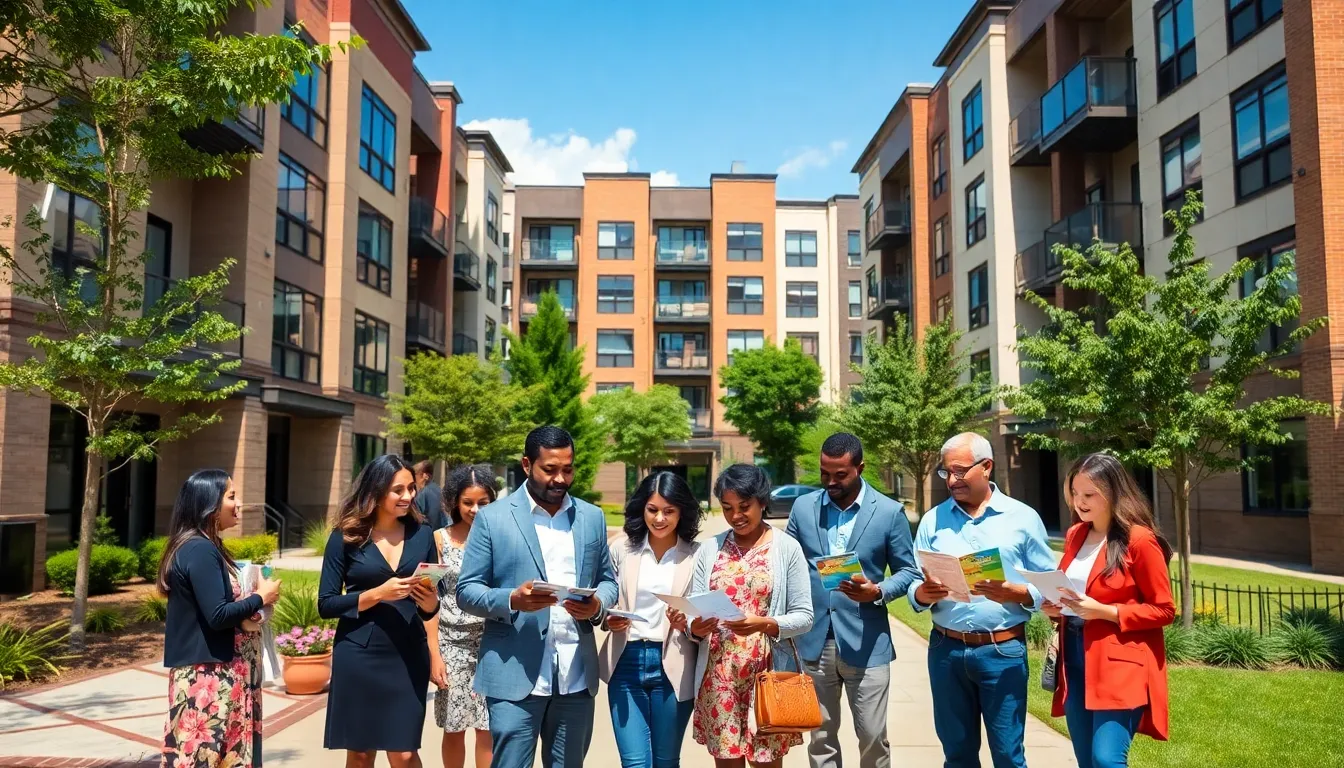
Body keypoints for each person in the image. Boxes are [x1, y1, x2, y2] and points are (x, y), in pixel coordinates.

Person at [456, 426, 619, 768]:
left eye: (568, 469)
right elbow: (467, 590)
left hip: (575, 675)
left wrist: (596, 606)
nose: (560, 479)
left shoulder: (591, 518)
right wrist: (512, 600)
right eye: (550, 470)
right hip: (513, 675)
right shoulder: (492, 518)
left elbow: (607, 581)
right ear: (527, 465)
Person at [907, 432, 1056, 768]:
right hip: (946, 652)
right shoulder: (933, 520)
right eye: (947, 473)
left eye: (960, 471)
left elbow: (1052, 586)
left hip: (1002, 652)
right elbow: (915, 580)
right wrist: (921, 593)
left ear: (986, 466)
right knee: (957, 755)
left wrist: (1018, 593)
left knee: (1007, 755)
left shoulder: (1022, 518)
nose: (953, 480)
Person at [785, 433, 919, 768]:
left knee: (873, 736)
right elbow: (785, 561)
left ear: (860, 468)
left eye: (840, 475)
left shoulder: (889, 513)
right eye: (824, 474)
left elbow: (908, 572)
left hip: (868, 641)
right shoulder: (803, 508)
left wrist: (878, 591)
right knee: (820, 737)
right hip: (814, 639)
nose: (831, 482)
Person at [1044, 453, 1175, 768]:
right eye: (1075, 493)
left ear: (1114, 492)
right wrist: (1056, 607)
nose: (1080, 502)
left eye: (1090, 494)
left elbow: (1164, 610)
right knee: (1085, 759)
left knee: (1106, 759)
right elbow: (1076, 590)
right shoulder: (1076, 534)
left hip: (1119, 662)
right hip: (1073, 656)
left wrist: (1107, 611)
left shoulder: (1139, 541)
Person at [319, 455, 441, 768]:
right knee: (360, 754)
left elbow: (430, 608)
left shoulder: (423, 535)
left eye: (411, 488)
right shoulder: (345, 537)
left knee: (403, 752)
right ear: (375, 491)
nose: (408, 496)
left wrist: (428, 602)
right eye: (398, 490)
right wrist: (376, 594)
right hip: (359, 654)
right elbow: (326, 603)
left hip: (408, 653)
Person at [689, 463, 814, 768]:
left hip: (766, 677)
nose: (736, 516)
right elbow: (695, 615)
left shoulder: (787, 548)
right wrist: (696, 626)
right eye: (728, 508)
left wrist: (765, 623)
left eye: (744, 506)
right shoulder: (709, 549)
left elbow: (805, 616)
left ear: (762, 502)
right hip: (719, 679)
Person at [159, 469, 282, 768]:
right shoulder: (199, 549)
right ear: (209, 504)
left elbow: (217, 607)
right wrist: (261, 597)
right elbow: (218, 615)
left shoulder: (205, 546)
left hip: (223, 673)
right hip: (211, 679)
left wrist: (251, 606)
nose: (238, 503)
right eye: (231, 496)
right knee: (207, 757)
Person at [598, 471, 703, 768]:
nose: (659, 519)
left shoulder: (696, 555)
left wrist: (687, 622)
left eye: (669, 511)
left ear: (682, 511)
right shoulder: (622, 548)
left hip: (674, 664)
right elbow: (606, 597)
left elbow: (703, 617)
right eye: (652, 509)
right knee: (633, 763)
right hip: (625, 662)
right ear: (641, 508)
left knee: (665, 761)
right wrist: (609, 619)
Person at [428, 464, 498, 768]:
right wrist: (434, 654)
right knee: (454, 726)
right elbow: (426, 600)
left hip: (492, 643)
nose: (475, 509)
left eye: (483, 502)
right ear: (455, 502)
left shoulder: (502, 538)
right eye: (468, 502)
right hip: (451, 644)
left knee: (488, 727)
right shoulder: (439, 540)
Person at [415, 459, 449, 530]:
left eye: (415, 473)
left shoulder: (427, 492)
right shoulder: (435, 488)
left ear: (425, 476)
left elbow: (434, 519)